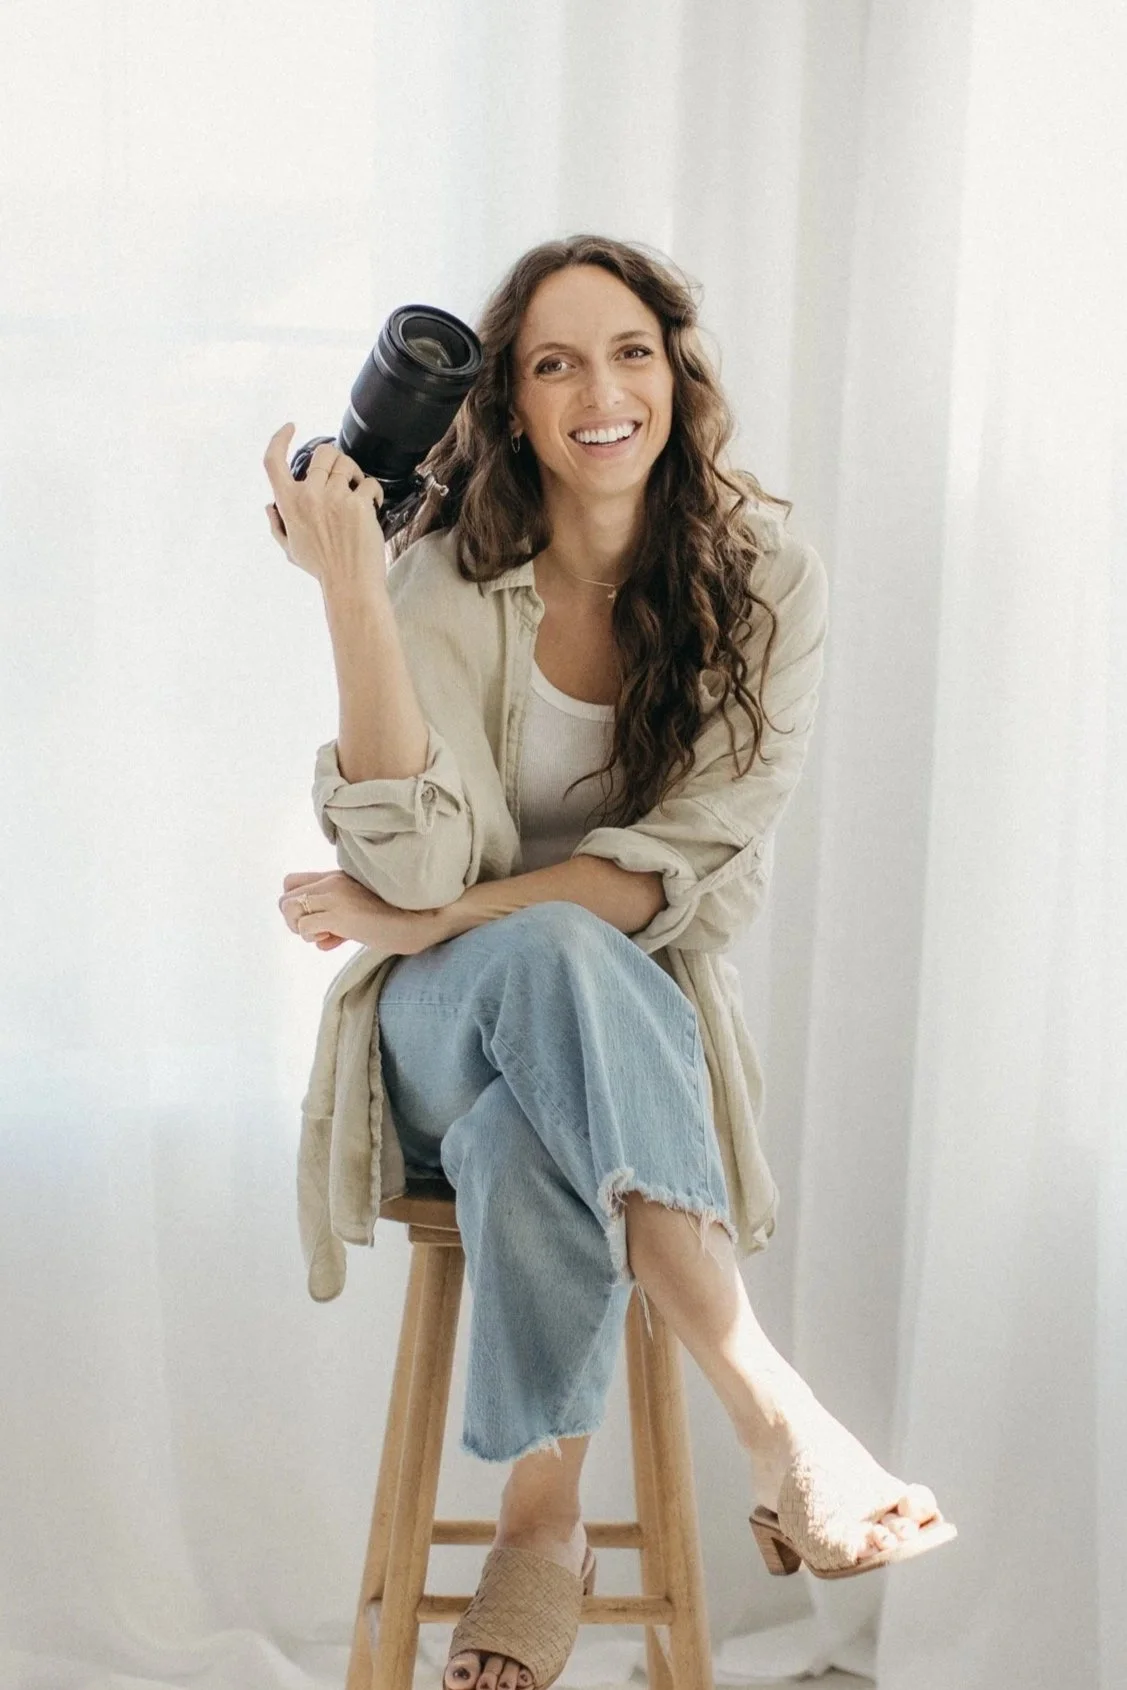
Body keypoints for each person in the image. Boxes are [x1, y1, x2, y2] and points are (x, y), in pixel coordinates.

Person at [266, 235, 955, 1690]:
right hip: (440, 1037)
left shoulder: (765, 584)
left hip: (607, 1044)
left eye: (630, 352)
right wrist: (352, 595)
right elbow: (412, 860)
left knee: (532, 1125)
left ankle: (541, 1529)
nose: (601, 392)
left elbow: (685, 865)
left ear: (675, 376)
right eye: (556, 363)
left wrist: (426, 921)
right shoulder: (446, 579)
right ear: (511, 407)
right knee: (547, 958)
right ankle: (776, 1419)